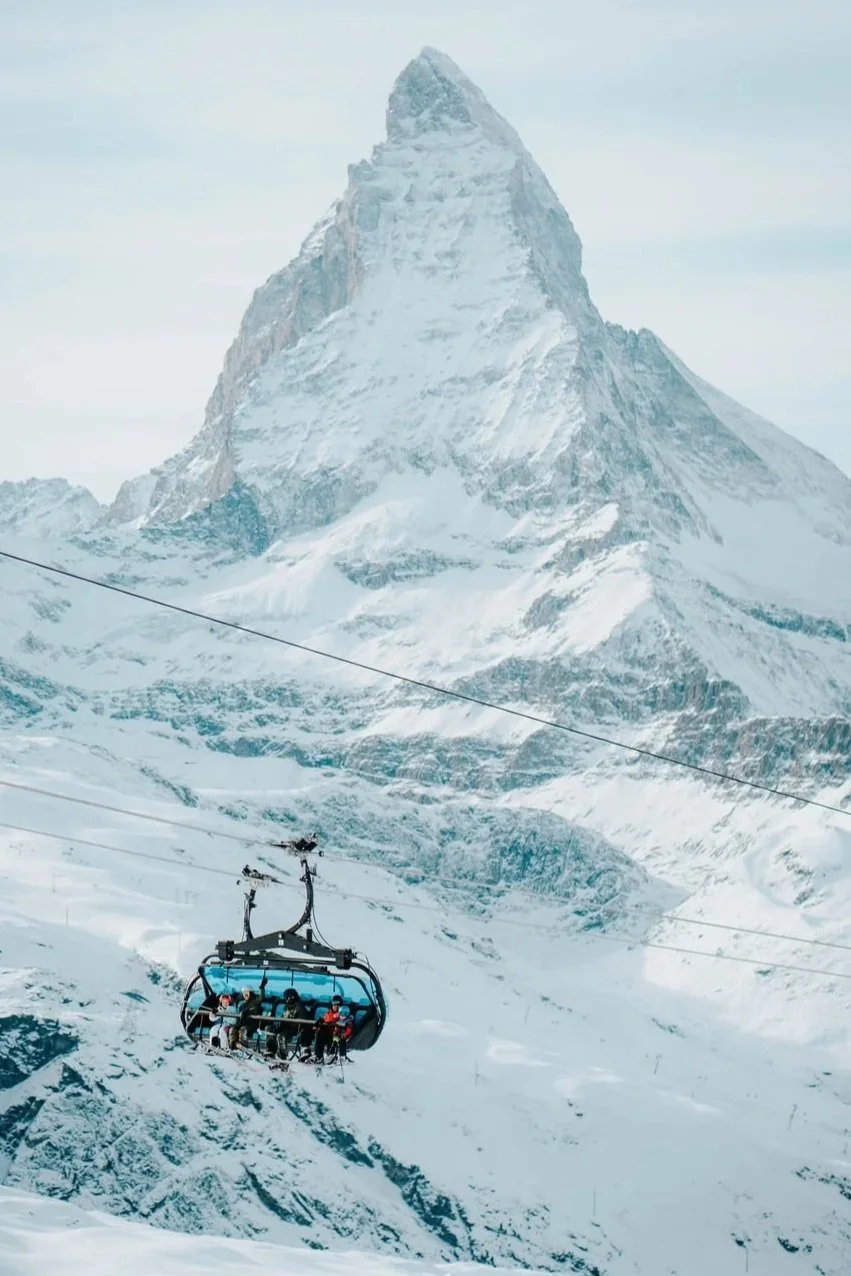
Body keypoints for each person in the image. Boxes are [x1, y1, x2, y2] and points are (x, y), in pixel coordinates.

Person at [312, 994, 343, 1063]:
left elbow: (334, 1018)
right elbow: (326, 1019)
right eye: (334, 1004)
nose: (336, 1006)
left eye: (338, 1004)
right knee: (320, 1032)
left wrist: (324, 1020)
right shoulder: (329, 1012)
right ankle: (318, 1056)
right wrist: (320, 1022)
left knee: (329, 1035)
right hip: (329, 1034)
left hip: (338, 1035)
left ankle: (331, 1055)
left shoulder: (342, 1013)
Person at [235, 984, 264, 1050]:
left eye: (247, 993)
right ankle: (232, 1046)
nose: (245, 995)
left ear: (251, 993)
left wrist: (262, 988)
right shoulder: (242, 1004)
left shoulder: (255, 1001)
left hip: (253, 1024)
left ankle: (243, 1047)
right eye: (244, 993)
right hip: (244, 1023)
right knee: (234, 1029)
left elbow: (261, 998)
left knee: (243, 1029)